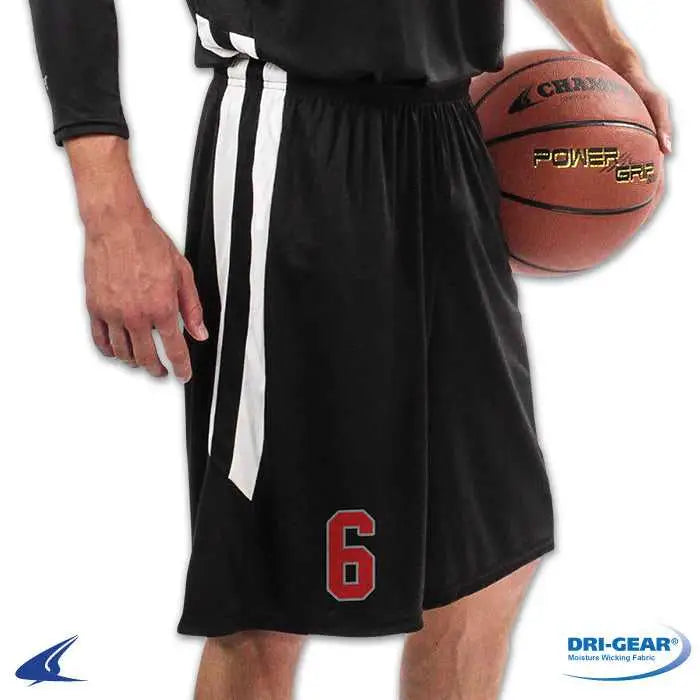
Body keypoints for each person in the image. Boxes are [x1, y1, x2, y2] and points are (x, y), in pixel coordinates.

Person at [28, 0, 671, 697]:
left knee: (488, 564)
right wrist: (108, 211)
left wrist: (611, 49)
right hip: (294, 137)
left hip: (451, 134)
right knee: (267, 604)